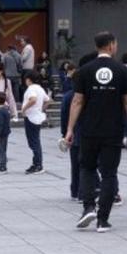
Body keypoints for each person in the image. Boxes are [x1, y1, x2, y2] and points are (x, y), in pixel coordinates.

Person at [66, 32, 127, 232]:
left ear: (97, 46)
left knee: (87, 168)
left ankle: (88, 206)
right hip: (113, 130)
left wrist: (70, 129)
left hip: (88, 129)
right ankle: (103, 219)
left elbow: (77, 101)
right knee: (109, 173)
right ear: (112, 45)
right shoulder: (122, 70)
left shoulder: (84, 71)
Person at [59, 59, 82, 201]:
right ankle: (84, 191)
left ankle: (75, 190)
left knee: (75, 164)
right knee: (86, 164)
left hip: (72, 133)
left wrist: (64, 134)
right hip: (85, 133)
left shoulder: (68, 96)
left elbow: (63, 117)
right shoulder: (86, 96)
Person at [21, 73, 48, 174]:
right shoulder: (40, 88)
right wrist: (41, 109)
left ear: (28, 79)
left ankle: (38, 165)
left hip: (31, 117)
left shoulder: (31, 89)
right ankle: (36, 162)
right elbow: (48, 100)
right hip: (37, 117)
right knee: (35, 140)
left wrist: (24, 109)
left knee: (33, 142)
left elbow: (33, 99)